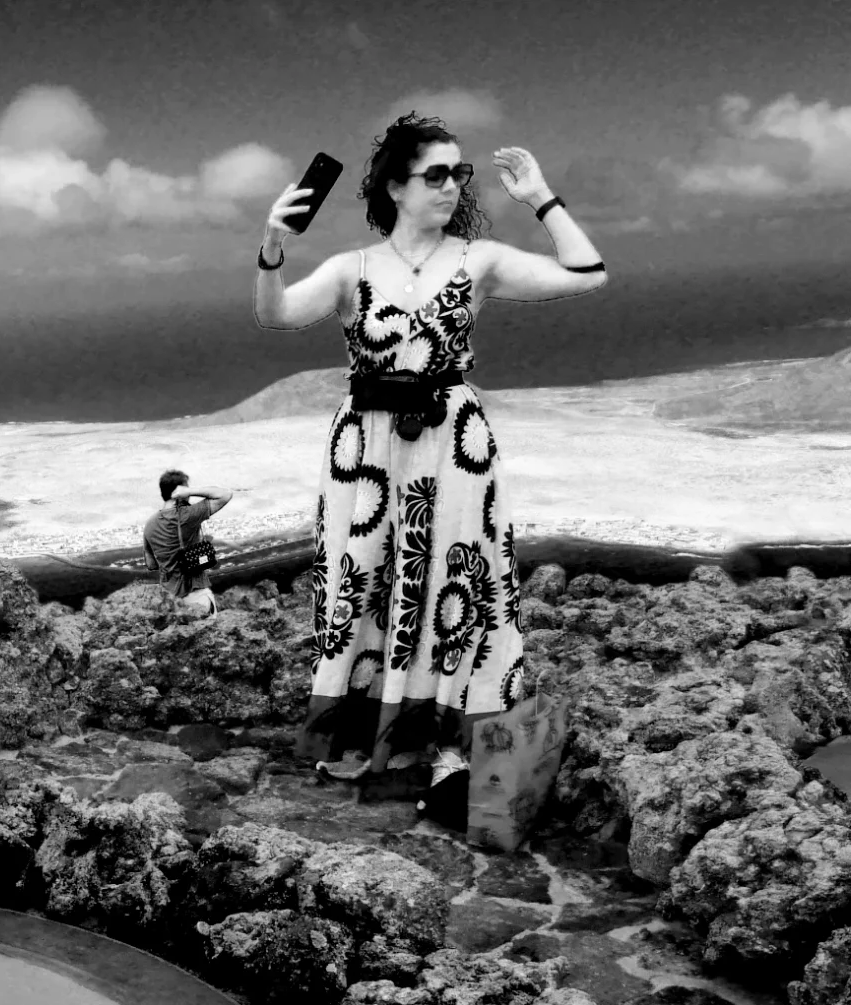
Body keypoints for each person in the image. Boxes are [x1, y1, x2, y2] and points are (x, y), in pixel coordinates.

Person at [252, 114, 606, 795]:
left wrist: (540, 196)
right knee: (364, 578)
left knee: (457, 579)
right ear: (394, 186)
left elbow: (587, 272)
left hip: (452, 439)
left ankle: (448, 736)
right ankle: (371, 729)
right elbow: (277, 313)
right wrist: (272, 246)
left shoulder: (480, 259)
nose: (451, 185)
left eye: (458, 173)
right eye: (435, 174)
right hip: (366, 445)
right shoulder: (349, 269)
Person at [142, 470, 234, 605]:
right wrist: (191, 491)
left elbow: (151, 565)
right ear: (180, 491)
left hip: (170, 600)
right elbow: (225, 494)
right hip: (196, 594)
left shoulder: (149, 524)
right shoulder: (188, 515)